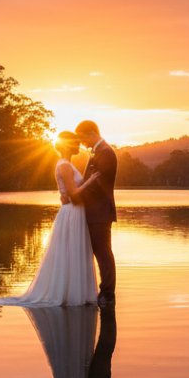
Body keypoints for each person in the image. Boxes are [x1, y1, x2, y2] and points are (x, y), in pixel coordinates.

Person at [0, 132, 99, 306]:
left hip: (75, 213)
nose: (79, 145)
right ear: (67, 145)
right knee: (69, 253)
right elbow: (74, 195)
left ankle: (75, 293)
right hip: (72, 213)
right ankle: (69, 295)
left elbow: (71, 192)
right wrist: (91, 181)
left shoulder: (67, 165)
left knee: (73, 253)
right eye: (75, 142)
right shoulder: (64, 166)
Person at [74, 121, 117, 307]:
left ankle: (107, 294)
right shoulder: (97, 152)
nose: (82, 143)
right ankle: (99, 292)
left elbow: (99, 185)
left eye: (83, 138)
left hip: (100, 212)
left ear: (92, 133)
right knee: (96, 252)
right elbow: (89, 181)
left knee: (103, 253)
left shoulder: (106, 153)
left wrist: (75, 195)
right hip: (92, 212)